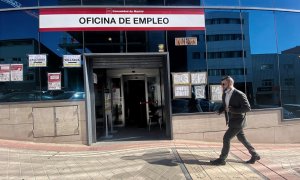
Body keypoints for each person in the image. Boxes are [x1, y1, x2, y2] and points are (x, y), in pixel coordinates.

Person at [210, 76, 260, 165]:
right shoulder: (225, 93)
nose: (221, 85)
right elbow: (225, 105)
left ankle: (222, 159)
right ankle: (254, 154)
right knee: (242, 138)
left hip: (238, 121)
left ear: (229, 83)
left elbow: (247, 108)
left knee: (226, 138)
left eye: (223, 83)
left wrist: (233, 110)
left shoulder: (239, 94)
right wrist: (220, 110)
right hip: (232, 120)